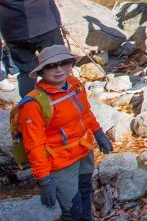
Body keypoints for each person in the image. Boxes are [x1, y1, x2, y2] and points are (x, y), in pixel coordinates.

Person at [17, 45, 112, 219]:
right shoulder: (34, 104)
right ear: (42, 71)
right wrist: (44, 179)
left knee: (85, 191)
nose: (59, 69)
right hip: (60, 162)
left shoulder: (75, 85)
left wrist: (99, 134)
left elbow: (85, 113)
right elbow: (34, 145)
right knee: (71, 210)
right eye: (52, 66)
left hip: (83, 151)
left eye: (64, 63)